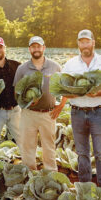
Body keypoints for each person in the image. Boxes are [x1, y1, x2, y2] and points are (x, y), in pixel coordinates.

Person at [62, 29, 101, 192]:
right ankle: (85, 190)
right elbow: (61, 89)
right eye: (81, 41)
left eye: (87, 41)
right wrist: (77, 92)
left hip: (98, 112)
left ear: (93, 42)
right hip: (77, 112)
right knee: (82, 153)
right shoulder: (70, 64)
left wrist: (97, 93)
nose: (84, 44)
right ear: (78, 44)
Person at [13, 36, 66, 171]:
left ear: (44, 48)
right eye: (33, 46)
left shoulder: (55, 67)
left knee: (49, 146)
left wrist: (61, 105)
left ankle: (51, 173)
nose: (36, 49)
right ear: (29, 49)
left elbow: (65, 87)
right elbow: (16, 91)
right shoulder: (22, 68)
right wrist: (27, 101)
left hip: (48, 114)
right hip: (28, 114)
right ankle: (30, 173)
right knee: (27, 146)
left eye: (39, 46)